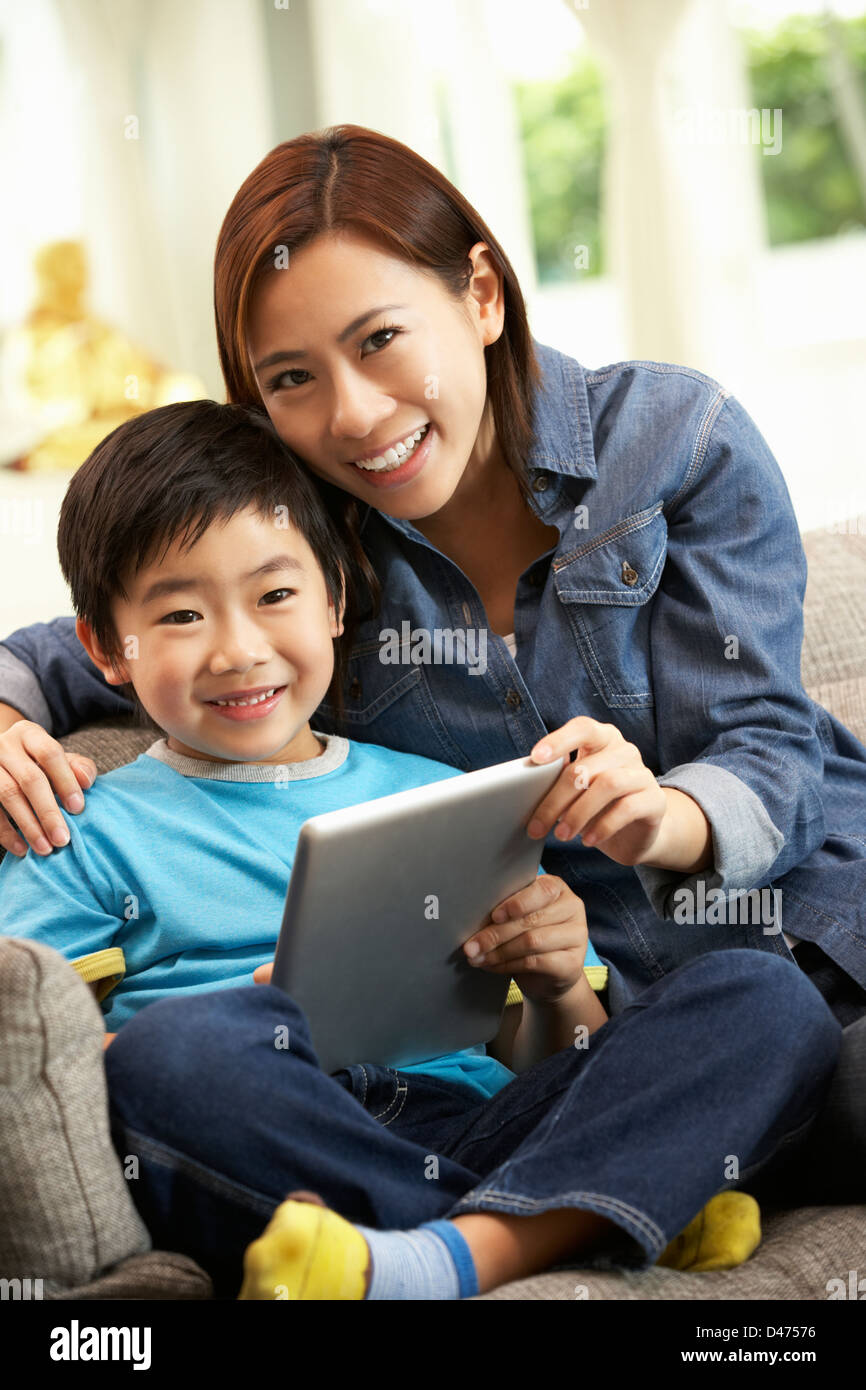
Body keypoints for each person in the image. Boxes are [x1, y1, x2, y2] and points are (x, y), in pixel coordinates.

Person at [0, 124, 864, 1198]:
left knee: (820, 1064)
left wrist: (662, 818)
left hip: (799, 941)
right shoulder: (307, 533)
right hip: (556, 1053)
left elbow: (770, 747)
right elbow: (106, 638)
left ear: (483, 297)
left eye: (378, 340)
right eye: (291, 377)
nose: (354, 415)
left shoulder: (673, 439)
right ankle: (505, 1231)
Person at [0, 399, 840, 1301]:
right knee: (172, 1056)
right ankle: (586, 1217)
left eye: (275, 595)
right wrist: (250, 1024)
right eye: (180, 617)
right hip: (284, 1139)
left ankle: (443, 1257)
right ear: (104, 648)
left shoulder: (442, 792)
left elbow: (556, 1057)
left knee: (763, 997)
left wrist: (557, 984)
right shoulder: (75, 825)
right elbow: (42, 1057)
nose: (240, 651)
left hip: (480, 1123)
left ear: (334, 599)